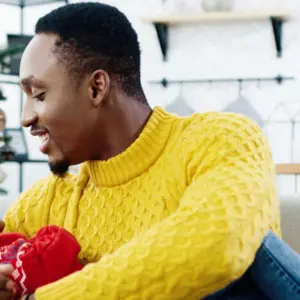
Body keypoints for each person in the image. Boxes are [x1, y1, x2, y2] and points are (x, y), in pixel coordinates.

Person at [0, 2, 282, 300]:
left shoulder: (222, 140)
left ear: (96, 87)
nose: (25, 117)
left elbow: (219, 243)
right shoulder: (41, 205)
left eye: (39, 95)